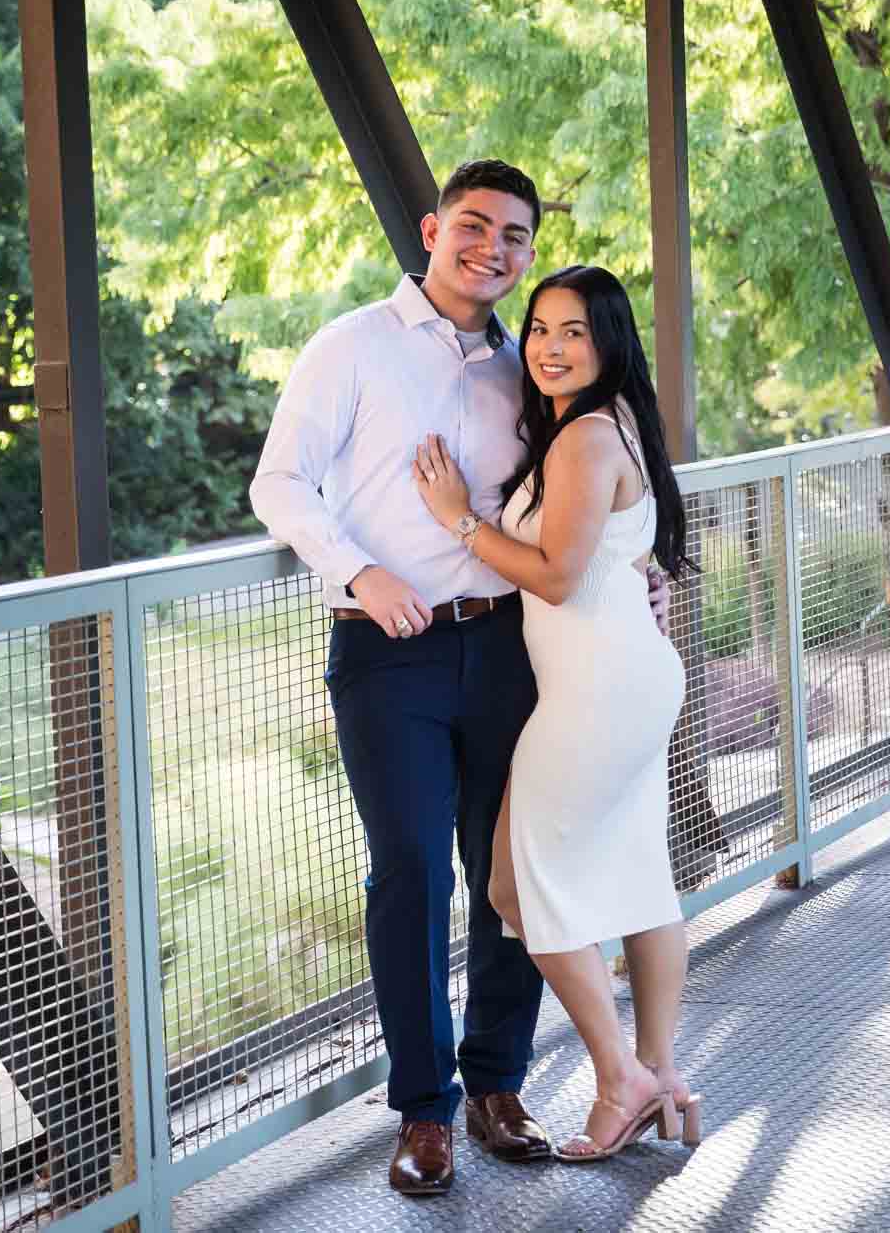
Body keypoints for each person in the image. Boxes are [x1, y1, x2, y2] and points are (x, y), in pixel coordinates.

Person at [249, 161, 668, 1196]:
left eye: (514, 236)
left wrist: (629, 573)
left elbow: (581, 491)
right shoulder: (349, 345)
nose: (493, 248)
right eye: (474, 226)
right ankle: (423, 1110)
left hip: (509, 648)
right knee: (408, 875)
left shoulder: (529, 367)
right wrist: (356, 568)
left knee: (504, 870)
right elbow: (276, 480)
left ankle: (497, 1086)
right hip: (387, 649)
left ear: (527, 254)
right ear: (434, 229)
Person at [413, 263, 702, 1160]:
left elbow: (555, 572)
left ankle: (621, 1074)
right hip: (624, 677)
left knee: (514, 887)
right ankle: (655, 1072)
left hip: (597, 691)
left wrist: (460, 519)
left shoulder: (584, 439)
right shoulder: (609, 424)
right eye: (538, 328)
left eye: (573, 330)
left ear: (608, 339)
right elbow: (614, 556)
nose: (548, 346)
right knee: (638, 877)